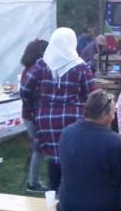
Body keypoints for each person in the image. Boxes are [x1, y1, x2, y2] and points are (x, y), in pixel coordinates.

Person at [21, 27, 96, 191]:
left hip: (46, 119)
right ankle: (73, 190)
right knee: (72, 155)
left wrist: (36, 107)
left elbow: (25, 90)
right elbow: (92, 95)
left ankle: (54, 192)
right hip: (74, 118)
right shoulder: (81, 67)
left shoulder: (41, 65)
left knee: (54, 156)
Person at [56, 90, 121, 211]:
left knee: (95, 178)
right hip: (102, 209)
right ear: (103, 115)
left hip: (68, 203)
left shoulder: (67, 132)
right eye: (113, 111)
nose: (115, 115)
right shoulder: (114, 142)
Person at [19, 38, 50, 193]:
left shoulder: (29, 69)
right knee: (39, 148)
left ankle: (33, 181)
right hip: (32, 115)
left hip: (31, 114)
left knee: (38, 148)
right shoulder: (33, 71)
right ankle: (33, 183)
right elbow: (27, 95)